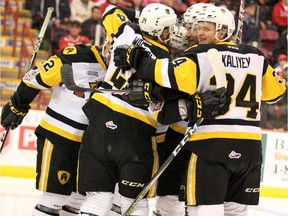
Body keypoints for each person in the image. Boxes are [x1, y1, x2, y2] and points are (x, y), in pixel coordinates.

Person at [114, 4, 287, 216]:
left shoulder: (201, 54)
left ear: (222, 31)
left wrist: (139, 61)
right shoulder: (256, 55)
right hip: (250, 148)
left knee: (204, 210)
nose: (197, 32)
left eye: (204, 28)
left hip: (210, 145)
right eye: (196, 27)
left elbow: (168, 74)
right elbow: (276, 93)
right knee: (236, 211)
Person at [77, 3, 179, 215]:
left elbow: (109, 9)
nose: (170, 33)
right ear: (160, 30)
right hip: (136, 131)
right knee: (133, 203)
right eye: (168, 29)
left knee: (97, 198)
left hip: (100, 121)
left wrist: (143, 16)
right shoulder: (164, 60)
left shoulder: (126, 31)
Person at [1, 44, 108, 216]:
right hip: (60, 138)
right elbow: (36, 77)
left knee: (77, 201)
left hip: (91, 146)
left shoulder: (127, 69)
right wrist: (18, 104)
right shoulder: (76, 58)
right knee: (53, 200)